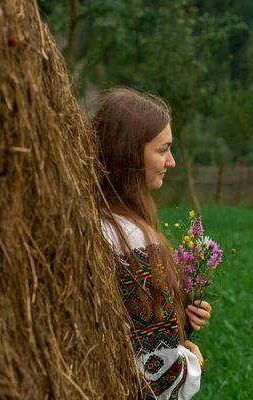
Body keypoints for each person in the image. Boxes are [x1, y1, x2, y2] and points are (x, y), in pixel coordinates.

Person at [93, 87, 211, 399]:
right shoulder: (132, 239)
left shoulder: (91, 220)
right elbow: (157, 373)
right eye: (162, 150)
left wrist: (178, 319)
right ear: (129, 154)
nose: (171, 161)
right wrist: (192, 363)